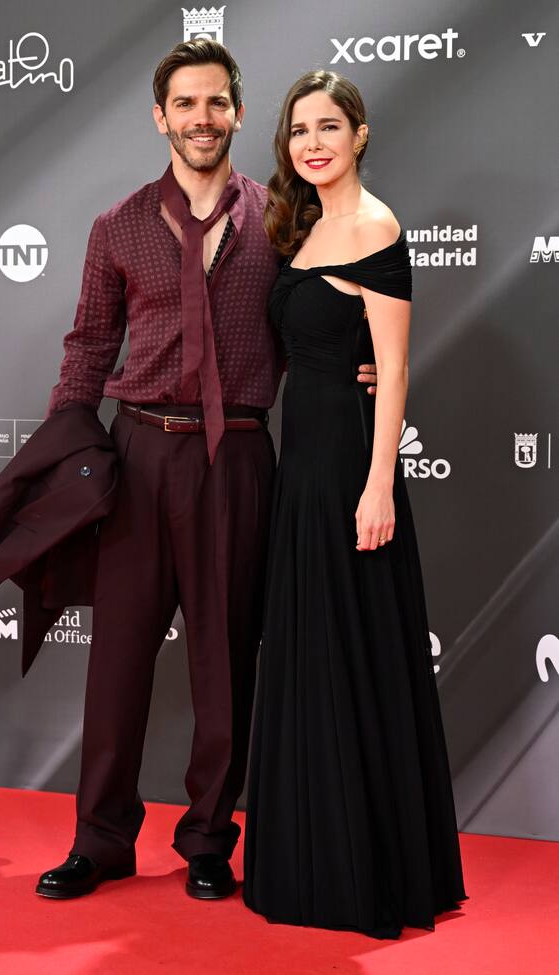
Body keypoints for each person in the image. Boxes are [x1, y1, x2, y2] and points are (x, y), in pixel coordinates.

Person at [35, 42, 378, 901]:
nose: (200, 119)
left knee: (225, 662)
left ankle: (207, 841)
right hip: (139, 453)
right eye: (184, 105)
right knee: (115, 664)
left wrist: (354, 365)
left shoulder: (278, 221)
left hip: (240, 457)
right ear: (161, 116)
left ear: (236, 112)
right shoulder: (116, 226)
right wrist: (64, 451)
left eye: (216, 104)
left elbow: (316, 320)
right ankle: (102, 838)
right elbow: (86, 346)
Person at [243, 71, 468, 938]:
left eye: (329, 126)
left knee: (357, 653)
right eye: (300, 129)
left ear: (361, 135)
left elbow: (395, 367)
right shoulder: (299, 230)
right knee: (309, 655)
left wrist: (380, 484)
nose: (313, 142)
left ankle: (366, 869)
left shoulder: (376, 227)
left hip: (349, 468)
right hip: (301, 464)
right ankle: (307, 855)